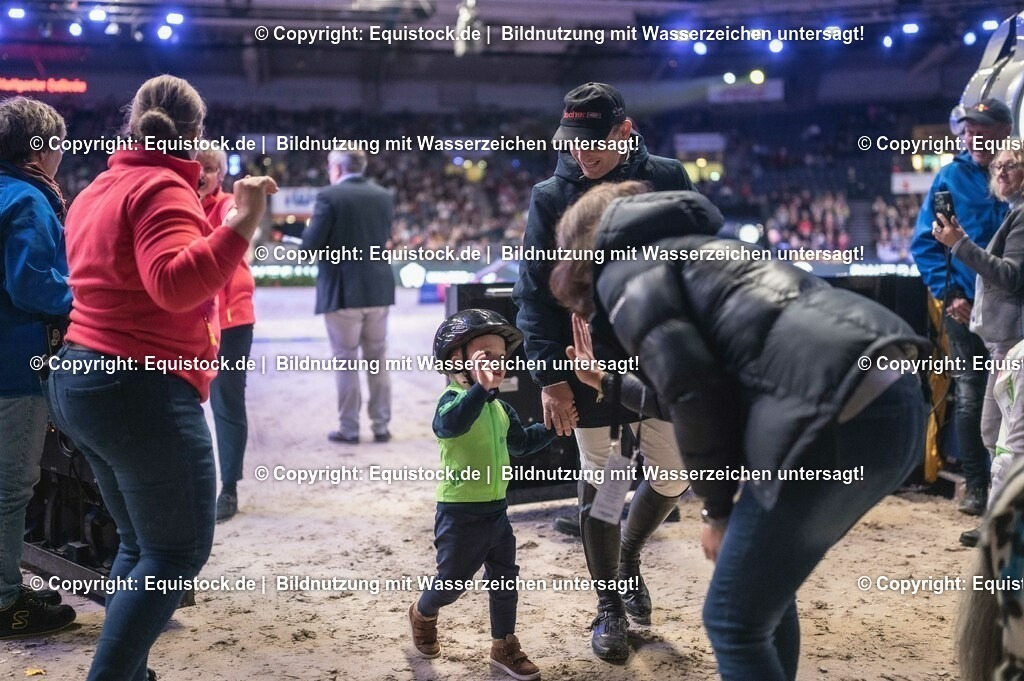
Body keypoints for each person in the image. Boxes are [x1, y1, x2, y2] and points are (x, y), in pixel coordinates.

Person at [551, 182, 929, 681]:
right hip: (898, 398)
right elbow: (703, 390)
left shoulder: (627, 272)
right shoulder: (702, 251)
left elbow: (695, 395)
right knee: (769, 595)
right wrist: (607, 382)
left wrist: (717, 510)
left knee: (732, 619)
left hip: (834, 412)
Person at [45, 75, 277, 681]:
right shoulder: (161, 188)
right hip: (138, 385)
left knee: (140, 544)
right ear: (196, 133)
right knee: (175, 553)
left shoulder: (101, 184)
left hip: (85, 376)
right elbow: (174, 284)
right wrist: (242, 223)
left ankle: (132, 672)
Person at [511, 81, 694, 661]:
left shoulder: (668, 176)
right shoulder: (550, 194)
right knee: (606, 478)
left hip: (656, 355)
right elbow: (533, 294)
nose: (582, 152)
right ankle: (609, 603)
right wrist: (550, 377)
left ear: (624, 131)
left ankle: (628, 555)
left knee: (672, 475)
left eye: (594, 140)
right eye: (573, 140)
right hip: (585, 361)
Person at [408, 309, 553, 681]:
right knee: (452, 582)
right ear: (455, 361)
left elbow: (521, 444)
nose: (498, 365)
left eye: (501, 357)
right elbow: (450, 425)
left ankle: (504, 644)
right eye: (486, 357)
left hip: (497, 512)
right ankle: (423, 611)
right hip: (459, 513)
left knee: (505, 580)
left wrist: (556, 425)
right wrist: (478, 390)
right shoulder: (452, 400)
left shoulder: (500, 408)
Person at [912, 98, 1013, 518]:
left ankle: (1008, 488)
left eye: (983, 130)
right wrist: (951, 293)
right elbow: (925, 243)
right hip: (966, 310)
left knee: (1011, 399)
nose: (974, 137)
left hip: (1014, 311)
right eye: (970, 130)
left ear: (1005, 132)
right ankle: (977, 486)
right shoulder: (949, 177)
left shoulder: (1015, 174)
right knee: (972, 395)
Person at [0, 96, 77, 638]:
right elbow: (32, 285)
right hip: (14, 365)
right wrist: (84, 294)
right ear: (39, 149)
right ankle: (6, 602)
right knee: (10, 488)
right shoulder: (28, 198)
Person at [933, 143, 1024, 546]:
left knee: (1009, 441)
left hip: (1016, 345)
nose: (1000, 172)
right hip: (1004, 345)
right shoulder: (1013, 213)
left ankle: (1003, 525)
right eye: (998, 166)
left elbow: (1011, 276)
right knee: (994, 432)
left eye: (1012, 166)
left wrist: (960, 245)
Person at [301, 149, 394, 444]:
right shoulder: (383, 196)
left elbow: (310, 245)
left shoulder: (329, 196)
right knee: (377, 358)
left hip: (343, 291)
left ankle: (349, 428)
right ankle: (381, 425)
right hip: (378, 288)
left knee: (346, 360)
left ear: (338, 168)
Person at [197, 148, 255, 522]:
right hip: (188, 318)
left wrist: (241, 215)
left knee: (226, 403)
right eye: (197, 166)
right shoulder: (176, 202)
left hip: (231, 321)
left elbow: (233, 219)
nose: (202, 174)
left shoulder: (225, 204)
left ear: (221, 175)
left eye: (210, 168)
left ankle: (229, 487)